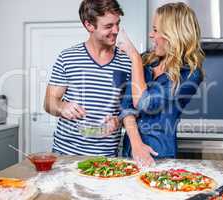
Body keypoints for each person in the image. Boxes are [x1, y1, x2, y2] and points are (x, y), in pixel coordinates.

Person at [118, 2, 205, 166]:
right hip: (131, 151)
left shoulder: (190, 74)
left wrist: (134, 57)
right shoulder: (146, 61)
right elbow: (126, 106)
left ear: (173, 34)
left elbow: (144, 103)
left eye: (156, 30)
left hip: (159, 156)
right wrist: (137, 145)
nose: (151, 35)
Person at [44, 0, 131, 156]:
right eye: (108, 26)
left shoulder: (127, 61)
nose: (116, 30)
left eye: (118, 23)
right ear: (89, 25)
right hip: (65, 154)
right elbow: (49, 103)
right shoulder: (67, 57)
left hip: (106, 157)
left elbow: (130, 108)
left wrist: (118, 120)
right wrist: (62, 107)